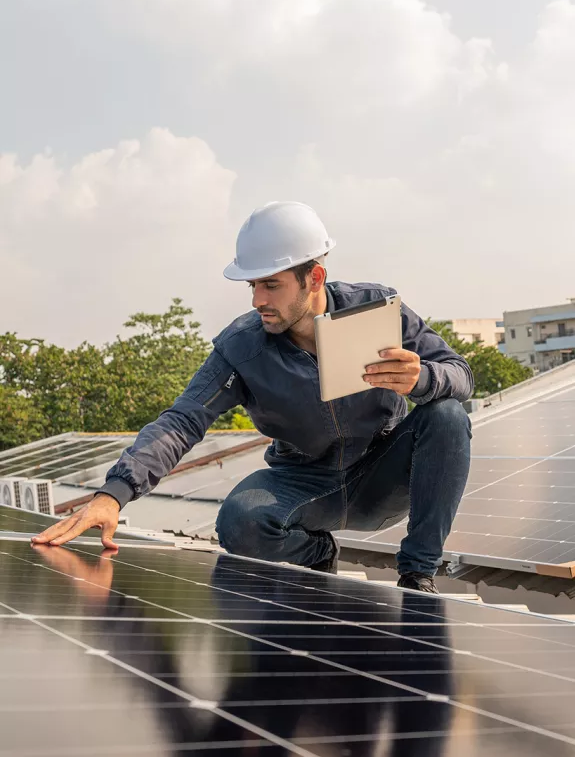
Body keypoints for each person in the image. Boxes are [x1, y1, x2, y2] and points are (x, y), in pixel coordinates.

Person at [33, 201, 473, 593]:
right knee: (239, 521)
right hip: (303, 485)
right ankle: (317, 554)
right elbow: (183, 420)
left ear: (314, 277)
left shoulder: (378, 309)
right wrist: (113, 494)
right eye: (252, 287)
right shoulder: (242, 347)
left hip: (382, 475)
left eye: (271, 285)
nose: (258, 299)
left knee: (448, 414)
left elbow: (461, 376)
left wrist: (423, 378)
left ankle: (417, 575)